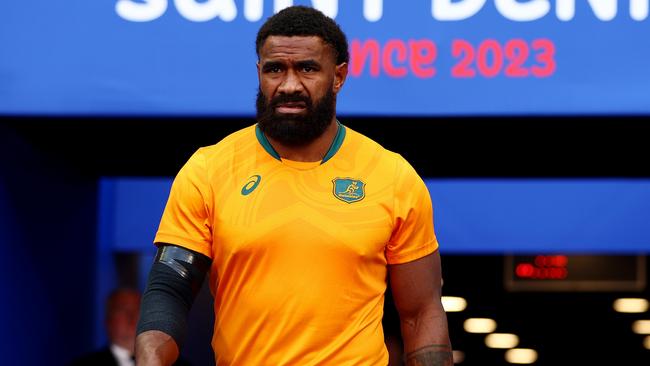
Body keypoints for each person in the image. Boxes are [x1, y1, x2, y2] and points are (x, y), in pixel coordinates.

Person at [135, 5, 452, 366]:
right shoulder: (209, 169)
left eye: (307, 68)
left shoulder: (392, 176)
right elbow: (170, 288)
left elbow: (421, 313)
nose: (289, 85)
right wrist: (150, 357)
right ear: (259, 73)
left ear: (339, 76)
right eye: (274, 69)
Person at [69, 288, 141, 366]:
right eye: (123, 310)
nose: (132, 316)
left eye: (138, 309)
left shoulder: (155, 360)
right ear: (108, 320)